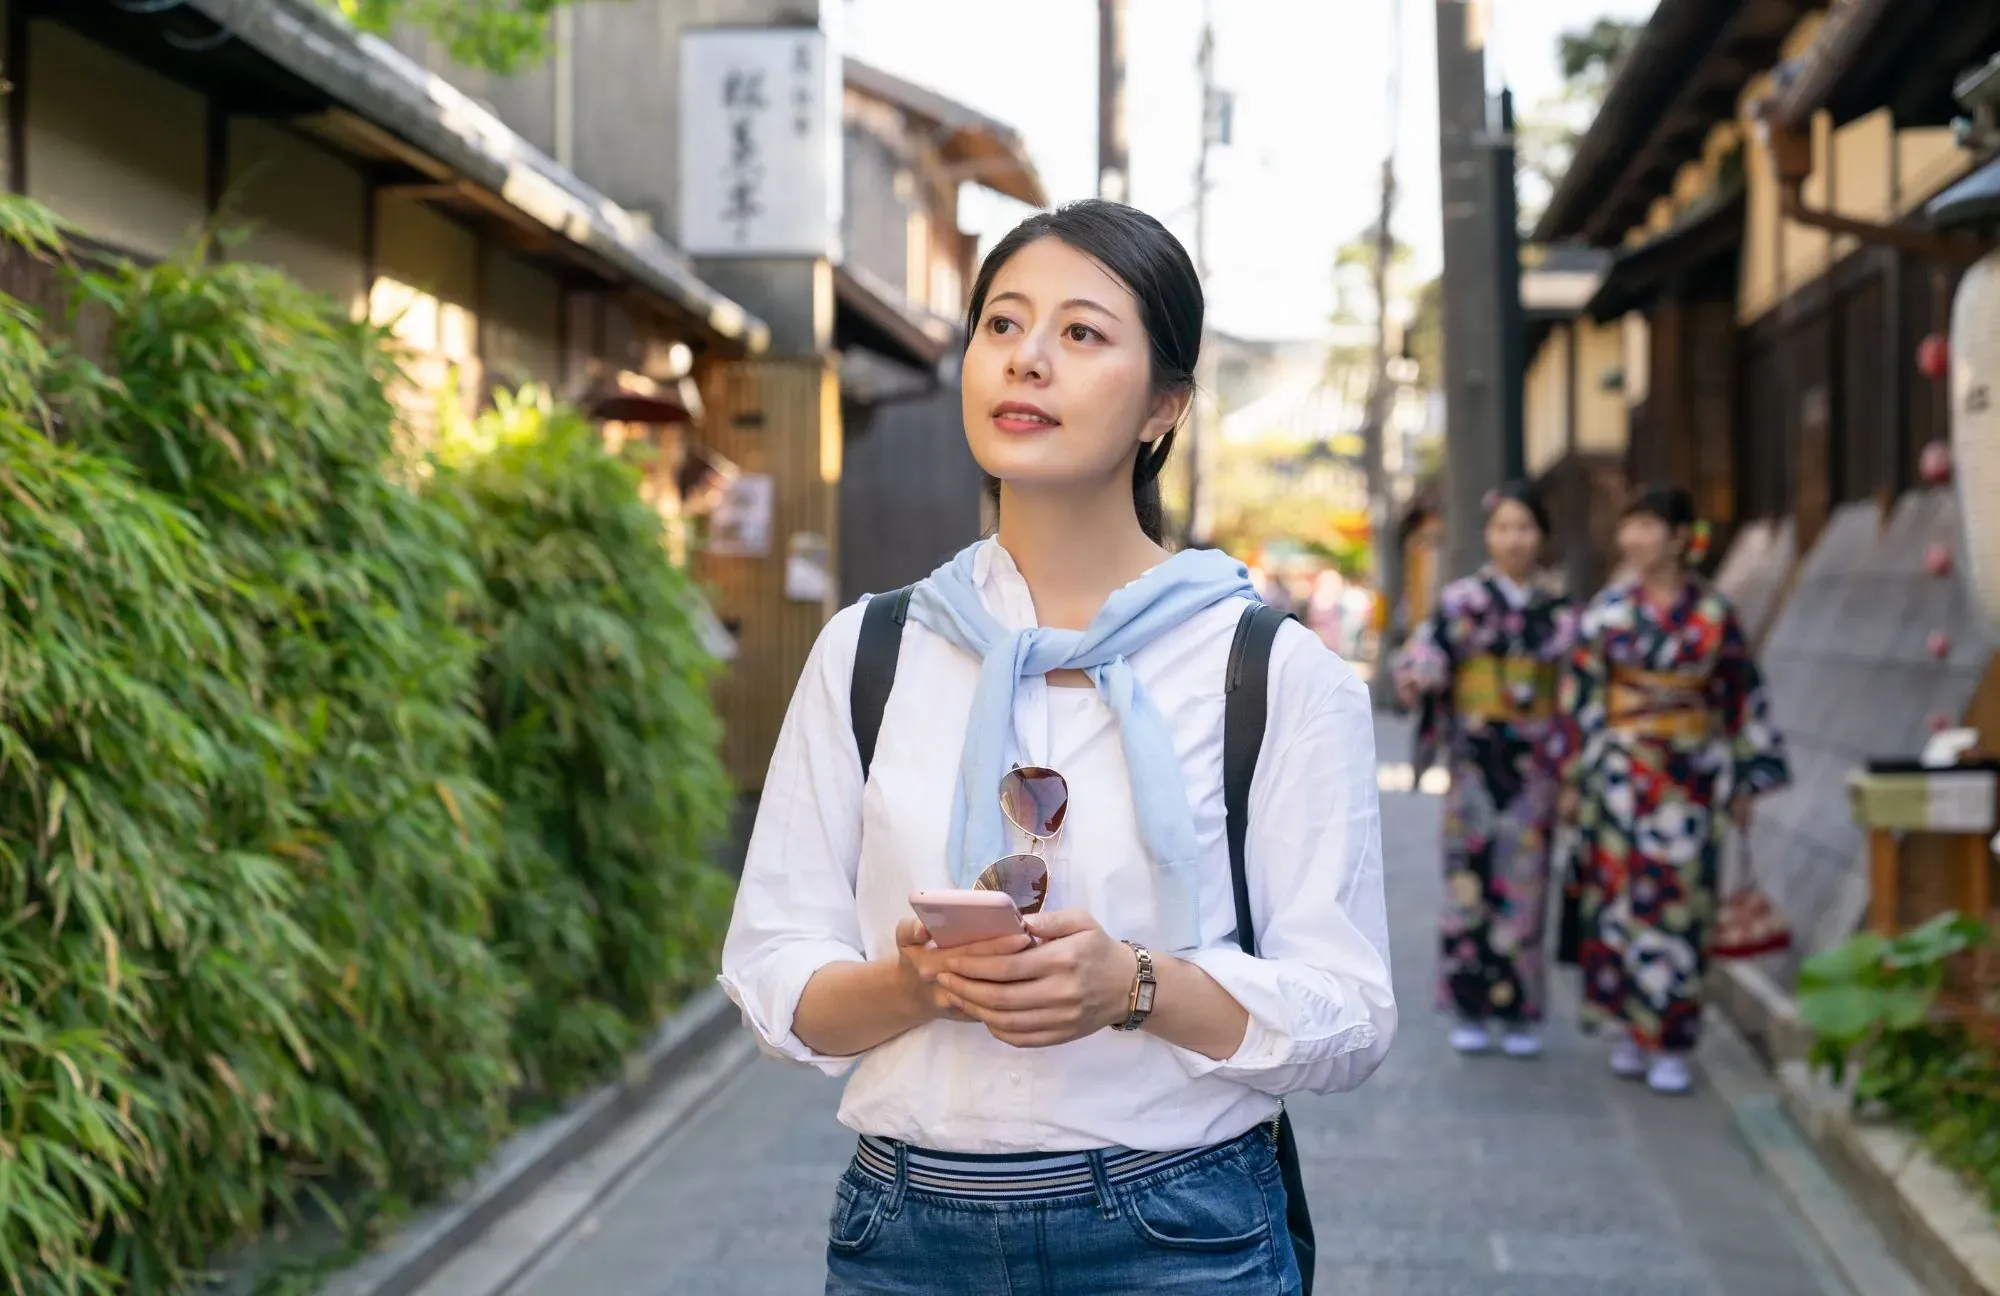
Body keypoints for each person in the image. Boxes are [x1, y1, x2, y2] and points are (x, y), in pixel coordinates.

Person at [720, 200, 1395, 1294]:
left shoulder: (1269, 671)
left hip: (1181, 1236)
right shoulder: (871, 650)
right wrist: (917, 986)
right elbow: (769, 968)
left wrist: (1134, 987)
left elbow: (1351, 1014)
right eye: (1000, 325)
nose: (1025, 359)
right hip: (904, 1237)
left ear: (1162, 406)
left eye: (1080, 333)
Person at [1554, 485, 1788, 1095]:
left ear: (1681, 538)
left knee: (1682, 907)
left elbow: (1739, 695)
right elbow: (1580, 699)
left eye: (1648, 527)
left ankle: (1675, 1038)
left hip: (1690, 778)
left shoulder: (1714, 614)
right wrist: (1573, 779)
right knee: (1620, 901)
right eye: (1628, 527)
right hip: (1618, 778)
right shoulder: (1607, 612)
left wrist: (1744, 776)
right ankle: (1632, 1029)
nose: (1633, 539)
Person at [1393, 482, 1576, 1058]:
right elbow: (1426, 650)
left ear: (1541, 536)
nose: (1513, 539)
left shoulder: (1561, 611)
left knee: (1525, 886)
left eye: (1524, 528)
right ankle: (1471, 1004)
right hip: (1474, 763)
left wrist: (1573, 768)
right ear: (1488, 535)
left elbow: (1579, 689)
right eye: (1503, 528)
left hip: (1535, 767)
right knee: (1468, 881)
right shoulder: (1461, 601)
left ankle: (1519, 1010)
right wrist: (1422, 672)